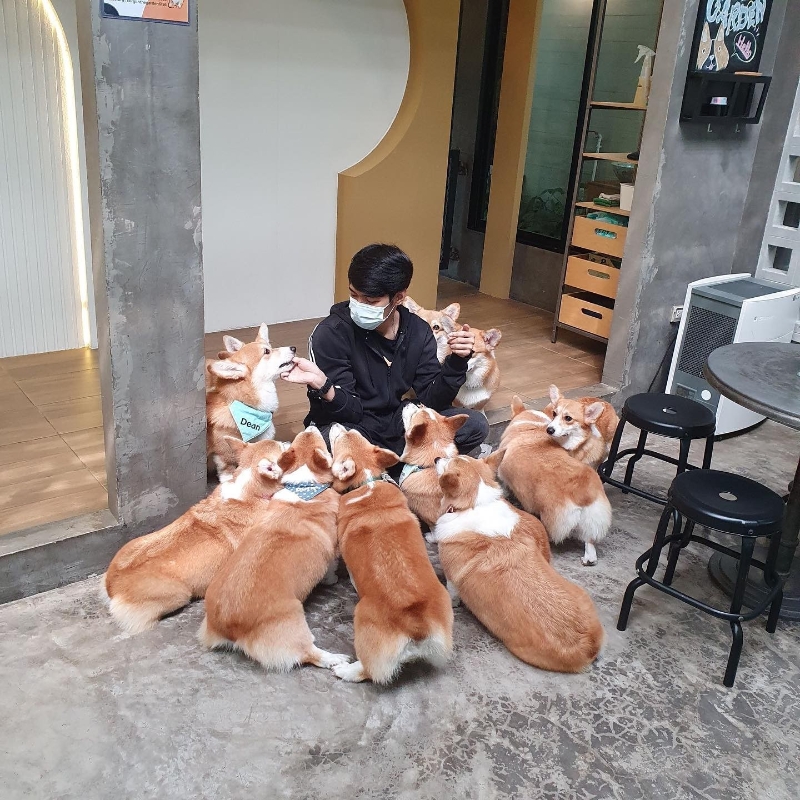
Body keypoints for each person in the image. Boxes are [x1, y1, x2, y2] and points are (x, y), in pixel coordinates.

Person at [280, 243, 489, 458]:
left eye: (370, 301)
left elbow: (432, 400)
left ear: (399, 298)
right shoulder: (330, 334)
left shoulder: (418, 331)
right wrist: (325, 387)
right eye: (354, 295)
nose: (359, 305)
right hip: (352, 424)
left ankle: (391, 464)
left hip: (398, 419)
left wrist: (457, 361)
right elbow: (350, 412)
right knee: (325, 443)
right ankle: (405, 463)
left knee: (475, 425)